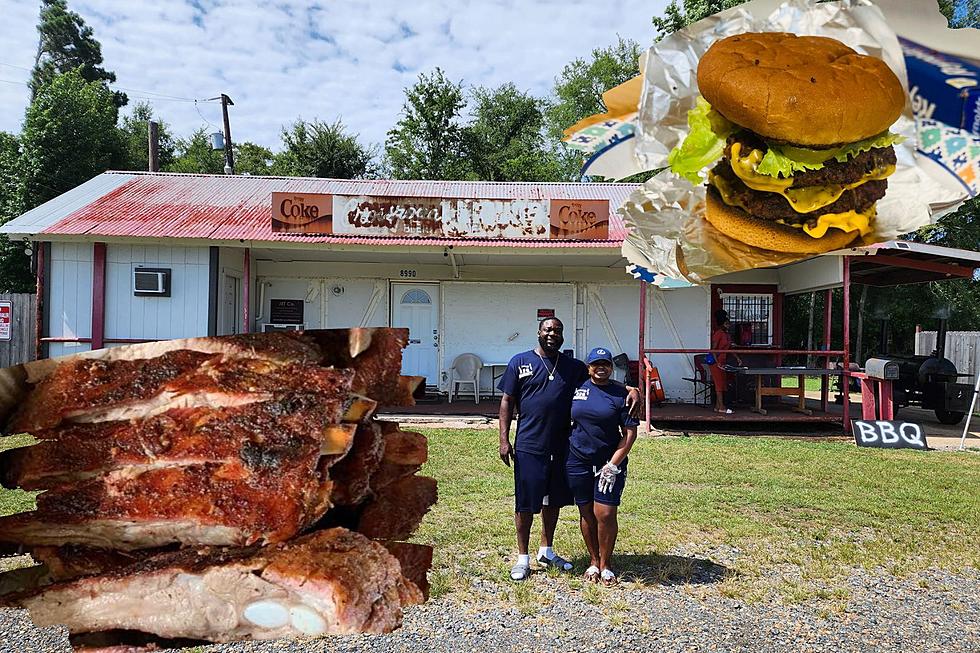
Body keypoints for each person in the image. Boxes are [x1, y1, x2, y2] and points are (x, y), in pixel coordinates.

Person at [498, 318, 639, 582]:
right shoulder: (519, 361)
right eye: (547, 329)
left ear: (562, 336)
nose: (552, 333)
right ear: (538, 332)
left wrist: (631, 389)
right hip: (529, 443)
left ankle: (546, 550)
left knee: (553, 500)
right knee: (526, 502)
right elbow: (507, 400)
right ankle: (522, 558)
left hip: (564, 446)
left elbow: (601, 377)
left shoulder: (572, 367)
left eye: (557, 330)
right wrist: (504, 439)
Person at [566, 347, 639, 586]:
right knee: (586, 511)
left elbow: (629, 434)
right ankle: (594, 561)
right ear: (588, 367)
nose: (601, 368)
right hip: (577, 459)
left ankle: (607, 565)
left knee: (605, 513)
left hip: (609, 462)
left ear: (611, 367)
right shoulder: (577, 388)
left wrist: (612, 465)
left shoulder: (621, 394)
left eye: (605, 364)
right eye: (596, 364)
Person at [710, 309, 743, 414]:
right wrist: (717, 362)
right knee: (719, 385)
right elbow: (713, 349)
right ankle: (722, 407)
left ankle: (717, 406)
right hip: (716, 362)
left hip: (722, 362)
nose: (729, 325)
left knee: (722, 384)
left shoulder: (726, 335)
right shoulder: (718, 333)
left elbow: (729, 349)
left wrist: (737, 358)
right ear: (722, 323)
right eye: (727, 323)